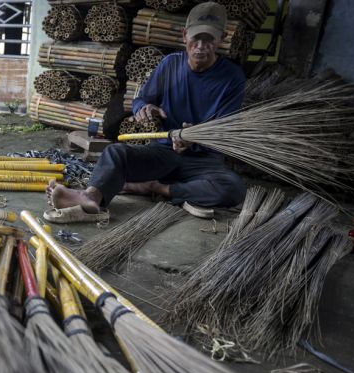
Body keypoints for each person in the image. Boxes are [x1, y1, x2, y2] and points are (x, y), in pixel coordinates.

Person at [47, 2, 247, 220]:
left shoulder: (232, 78)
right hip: (164, 152)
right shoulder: (170, 64)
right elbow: (141, 99)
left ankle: (156, 188)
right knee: (116, 152)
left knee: (233, 188)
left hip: (203, 161)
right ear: (184, 36)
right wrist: (143, 108)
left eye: (209, 39)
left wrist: (193, 138)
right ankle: (91, 197)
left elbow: (223, 130)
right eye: (196, 38)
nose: (201, 45)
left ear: (222, 38)